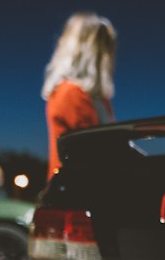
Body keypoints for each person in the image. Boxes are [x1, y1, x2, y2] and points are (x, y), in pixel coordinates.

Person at [42, 12, 117, 179]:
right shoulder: (69, 93)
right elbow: (93, 150)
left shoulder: (99, 98)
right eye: (105, 47)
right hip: (74, 190)